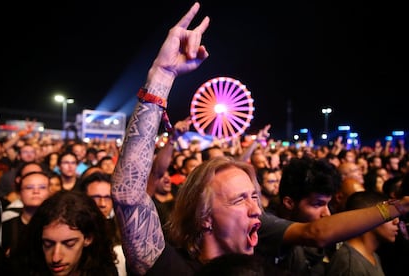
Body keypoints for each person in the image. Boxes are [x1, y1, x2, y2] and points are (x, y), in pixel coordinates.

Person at [111, 2, 409, 275]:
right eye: (240, 199)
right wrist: (161, 76)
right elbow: (129, 196)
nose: (257, 209)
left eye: (254, 196)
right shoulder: (176, 270)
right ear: (204, 217)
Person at [10, 190, 118, 275]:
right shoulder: (21, 269)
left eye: (69, 244)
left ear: (88, 238)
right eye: (48, 244)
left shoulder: (105, 270)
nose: (56, 257)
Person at [326, 191, 400, 275]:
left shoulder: (372, 255)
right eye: (388, 216)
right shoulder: (350, 263)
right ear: (370, 217)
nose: (396, 221)